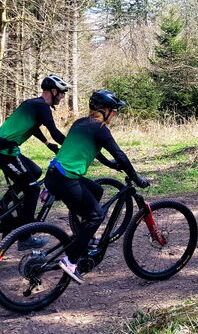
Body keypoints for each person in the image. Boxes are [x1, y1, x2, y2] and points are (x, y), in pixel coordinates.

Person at [45, 90, 149, 284]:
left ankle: (83, 234)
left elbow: (94, 148)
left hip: (52, 176)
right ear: (105, 111)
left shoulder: (79, 123)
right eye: (114, 111)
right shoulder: (100, 128)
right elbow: (120, 154)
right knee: (96, 215)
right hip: (67, 180)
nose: (115, 115)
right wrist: (135, 177)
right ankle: (70, 261)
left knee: (96, 190)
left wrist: (109, 165)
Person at [0, 74, 70, 250]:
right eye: (61, 93)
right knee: (33, 188)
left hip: (5, 149)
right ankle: (25, 237)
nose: (62, 97)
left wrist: (47, 144)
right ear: (53, 91)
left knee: (35, 172)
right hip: (5, 152)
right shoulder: (42, 107)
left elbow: (32, 127)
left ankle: (3, 204)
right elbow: (55, 132)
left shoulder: (33, 104)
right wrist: (72, 146)